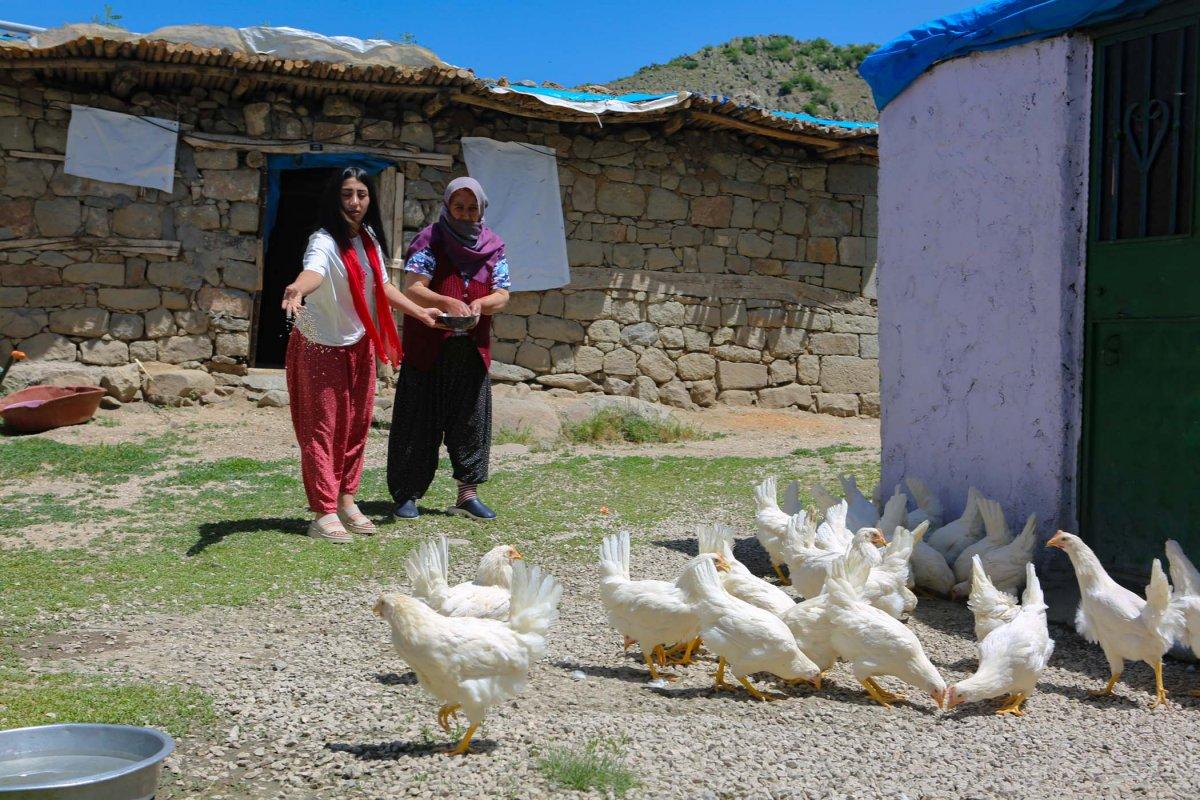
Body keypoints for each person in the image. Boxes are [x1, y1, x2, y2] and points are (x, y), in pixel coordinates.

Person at [281, 167, 441, 542]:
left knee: (355, 426)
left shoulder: (368, 238)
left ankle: (346, 499)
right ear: (334, 199)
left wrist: (419, 312)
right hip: (320, 343)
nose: (355, 203)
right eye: (347, 195)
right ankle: (322, 512)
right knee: (322, 429)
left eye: (362, 195)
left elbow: (382, 286)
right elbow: (313, 272)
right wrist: (296, 290)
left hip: (358, 342)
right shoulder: (322, 241)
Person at [387, 177, 511, 520]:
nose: (466, 214)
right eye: (459, 207)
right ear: (447, 206)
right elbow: (413, 288)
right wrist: (446, 301)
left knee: (470, 422)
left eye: (472, 208)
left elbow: (503, 293)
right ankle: (406, 494)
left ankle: (466, 495)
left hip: (471, 348)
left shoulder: (493, 245)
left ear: (482, 209)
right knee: (417, 421)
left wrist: (479, 305)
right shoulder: (431, 239)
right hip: (429, 345)